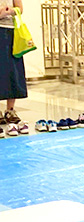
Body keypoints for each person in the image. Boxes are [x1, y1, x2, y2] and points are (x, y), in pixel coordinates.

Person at [0, 0, 26, 133]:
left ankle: (10, 110)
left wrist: (11, 11)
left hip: (12, 32)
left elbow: (20, 8)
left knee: (13, 70)